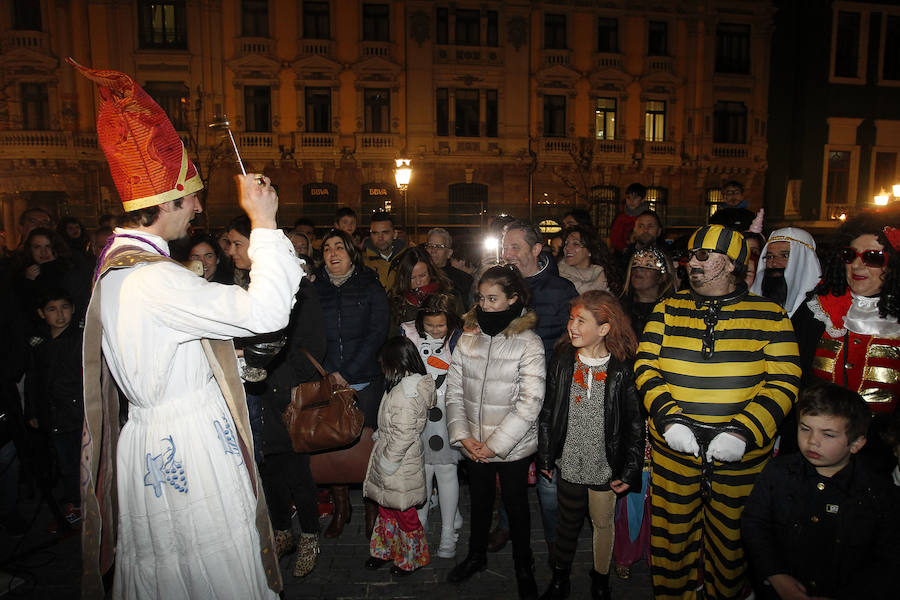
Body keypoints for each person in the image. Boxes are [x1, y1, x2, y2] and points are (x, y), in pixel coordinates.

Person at [74, 61, 299, 599]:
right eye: (190, 194)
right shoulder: (155, 281)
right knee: (209, 567)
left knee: (172, 566)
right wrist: (265, 223)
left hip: (154, 439)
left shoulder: (118, 267)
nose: (199, 204)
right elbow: (266, 313)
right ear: (163, 204)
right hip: (186, 445)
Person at [635, 224, 801, 600]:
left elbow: (785, 380)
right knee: (671, 540)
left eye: (703, 255)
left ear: (732, 264)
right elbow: (646, 366)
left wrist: (743, 431)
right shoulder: (668, 307)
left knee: (732, 541)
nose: (691, 262)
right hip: (673, 454)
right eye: (690, 255)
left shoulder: (770, 315)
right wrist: (670, 419)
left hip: (740, 459)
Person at [741, 383, 899, 599]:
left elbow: (887, 561)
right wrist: (775, 575)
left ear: (856, 443)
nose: (812, 441)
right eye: (805, 429)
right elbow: (754, 524)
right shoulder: (777, 472)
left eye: (828, 435)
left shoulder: (878, 491)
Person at [446, 265, 545, 600]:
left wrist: (496, 445)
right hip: (473, 441)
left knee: (517, 505)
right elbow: (454, 389)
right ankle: (476, 555)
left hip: (511, 446)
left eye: (492, 298)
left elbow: (531, 402)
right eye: (481, 298)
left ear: (513, 298)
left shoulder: (528, 342)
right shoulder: (469, 335)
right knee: (479, 501)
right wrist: (463, 436)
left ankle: (523, 564)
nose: (484, 305)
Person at [537, 291, 644, 600]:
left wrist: (630, 468)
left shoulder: (623, 369)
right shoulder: (562, 359)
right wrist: (545, 456)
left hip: (604, 465)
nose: (572, 326)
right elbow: (548, 412)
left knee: (602, 523)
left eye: (581, 320)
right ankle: (560, 578)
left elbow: (635, 424)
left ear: (604, 328)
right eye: (572, 318)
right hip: (569, 460)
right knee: (567, 524)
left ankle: (600, 579)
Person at [791, 214, 900, 470]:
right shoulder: (816, 312)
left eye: (872, 258)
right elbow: (792, 379)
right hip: (812, 451)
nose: (858, 267)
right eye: (850, 255)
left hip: (881, 457)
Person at [501, 219, 577, 555]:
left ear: (536, 249)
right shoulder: (499, 286)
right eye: (505, 247)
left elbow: (572, 346)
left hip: (549, 396)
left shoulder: (561, 291)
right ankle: (506, 525)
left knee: (548, 474)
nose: (508, 253)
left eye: (515, 246)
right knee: (507, 465)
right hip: (505, 393)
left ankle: (553, 537)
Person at [313, 228, 389, 539]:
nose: (333, 253)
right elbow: (310, 336)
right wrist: (329, 373)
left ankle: (371, 512)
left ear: (351, 252)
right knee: (333, 444)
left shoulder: (370, 286)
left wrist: (348, 371)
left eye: (339, 248)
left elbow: (377, 333)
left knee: (367, 447)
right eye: (327, 248)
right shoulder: (315, 290)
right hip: (328, 380)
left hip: (366, 379)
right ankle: (342, 508)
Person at [257, 268, 326, 578]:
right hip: (259, 392)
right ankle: (283, 530)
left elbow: (315, 344)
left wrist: (291, 382)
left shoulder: (303, 294)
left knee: (297, 470)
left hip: (289, 392)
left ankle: (310, 536)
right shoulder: (254, 287)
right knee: (269, 468)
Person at [364, 336, 437, 576]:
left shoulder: (406, 392)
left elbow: (404, 433)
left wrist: (388, 460)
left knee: (404, 512)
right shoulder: (402, 385)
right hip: (393, 456)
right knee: (387, 506)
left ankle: (411, 557)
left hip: (399, 462)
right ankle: (386, 550)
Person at [401, 294, 464, 559]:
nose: (436, 330)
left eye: (441, 325)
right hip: (418, 413)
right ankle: (421, 524)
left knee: (447, 470)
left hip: (448, 412)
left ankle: (449, 531)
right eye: (430, 325)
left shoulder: (460, 340)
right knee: (422, 469)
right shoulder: (410, 337)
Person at [24, 288, 84, 527]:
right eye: (52, 309)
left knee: (78, 462)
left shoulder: (79, 339)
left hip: (75, 413)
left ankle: (81, 503)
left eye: (64, 308)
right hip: (51, 414)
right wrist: (32, 411)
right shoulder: (37, 342)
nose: (59, 315)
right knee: (62, 462)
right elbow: (32, 379)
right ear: (41, 313)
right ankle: (71, 500)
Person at [388, 246, 461, 334]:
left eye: (422, 276)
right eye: (412, 278)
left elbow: (459, 329)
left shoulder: (449, 296)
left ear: (430, 273)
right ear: (403, 278)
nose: (418, 282)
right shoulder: (396, 301)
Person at [750, 228, 820, 317]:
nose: (774, 263)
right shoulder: (752, 303)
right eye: (770, 257)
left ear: (804, 260)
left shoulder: (821, 307)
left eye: (784, 256)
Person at [619, 247, 677, 338]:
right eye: (635, 264)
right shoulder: (619, 308)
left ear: (662, 277)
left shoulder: (671, 312)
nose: (638, 269)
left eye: (649, 265)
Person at [557, 225, 617, 295]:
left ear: (590, 251)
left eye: (576, 244)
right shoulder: (557, 277)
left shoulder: (603, 276)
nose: (567, 248)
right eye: (566, 244)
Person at [425, 227, 474, 307]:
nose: (433, 250)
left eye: (439, 246)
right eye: (430, 246)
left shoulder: (463, 280)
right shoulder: (417, 276)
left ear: (449, 253)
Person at [364, 211, 407, 289]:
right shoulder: (361, 261)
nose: (380, 238)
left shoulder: (407, 258)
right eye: (375, 233)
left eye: (385, 232)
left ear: (395, 234)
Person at [608, 184, 649, 253]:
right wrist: (623, 248)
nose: (631, 201)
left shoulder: (648, 217)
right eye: (628, 197)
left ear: (642, 199)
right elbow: (614, 236)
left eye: (635, 198)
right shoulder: (620, 217)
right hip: (622, 253)